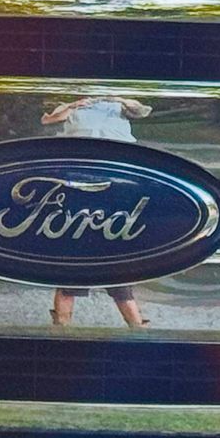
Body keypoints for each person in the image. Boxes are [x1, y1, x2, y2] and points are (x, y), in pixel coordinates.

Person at [41, 96, 153, 328]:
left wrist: (115, 98)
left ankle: (138, 327)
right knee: (72, 267)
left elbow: (141, 111)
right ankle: (61, 327)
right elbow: (49, 119)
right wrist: (74, 105)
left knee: (118, 271)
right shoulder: (73, 103)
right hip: (79, 180)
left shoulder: (118, 104)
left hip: (114, 182)